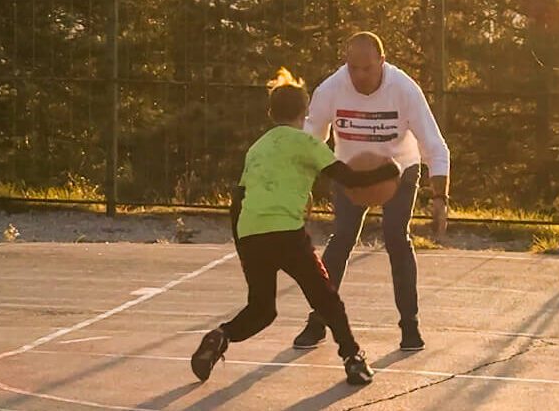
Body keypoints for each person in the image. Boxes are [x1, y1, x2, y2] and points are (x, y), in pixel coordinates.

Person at [190, 68, 400, 386]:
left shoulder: (257, 148)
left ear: (270, 113)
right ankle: (353, 359)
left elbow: (238, 198)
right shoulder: (306, 143)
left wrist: (243, 245)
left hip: (250, 232)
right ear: (305, 113)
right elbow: (349, 179)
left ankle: (221, 336)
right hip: (286, 233)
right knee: (326, 299)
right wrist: (389, 171)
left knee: (262, 309)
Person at [293, 32, 450, 352]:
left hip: (398, 170)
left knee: (396, 238)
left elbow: (433, 144)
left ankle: (410, 325)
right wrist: (300, 187)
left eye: (366, 68)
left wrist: (439, 197)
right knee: (341, 240)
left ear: (382, 61)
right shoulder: (332, 89)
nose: (359, 75)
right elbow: (311, 140)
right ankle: (318, 319)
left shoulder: (403, 89)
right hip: (350, 172)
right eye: (353, 68)